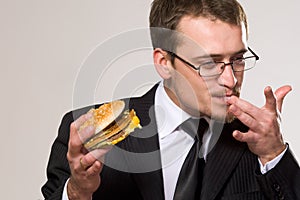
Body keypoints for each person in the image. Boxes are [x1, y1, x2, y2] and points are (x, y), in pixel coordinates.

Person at [42, 0, 300, 199]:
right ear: (164, 63)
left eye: (238, 59)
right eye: (209, 64)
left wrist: (274, 155)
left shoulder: (259, 142)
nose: (231, 81)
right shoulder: (86, 134)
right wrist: (77, 192)